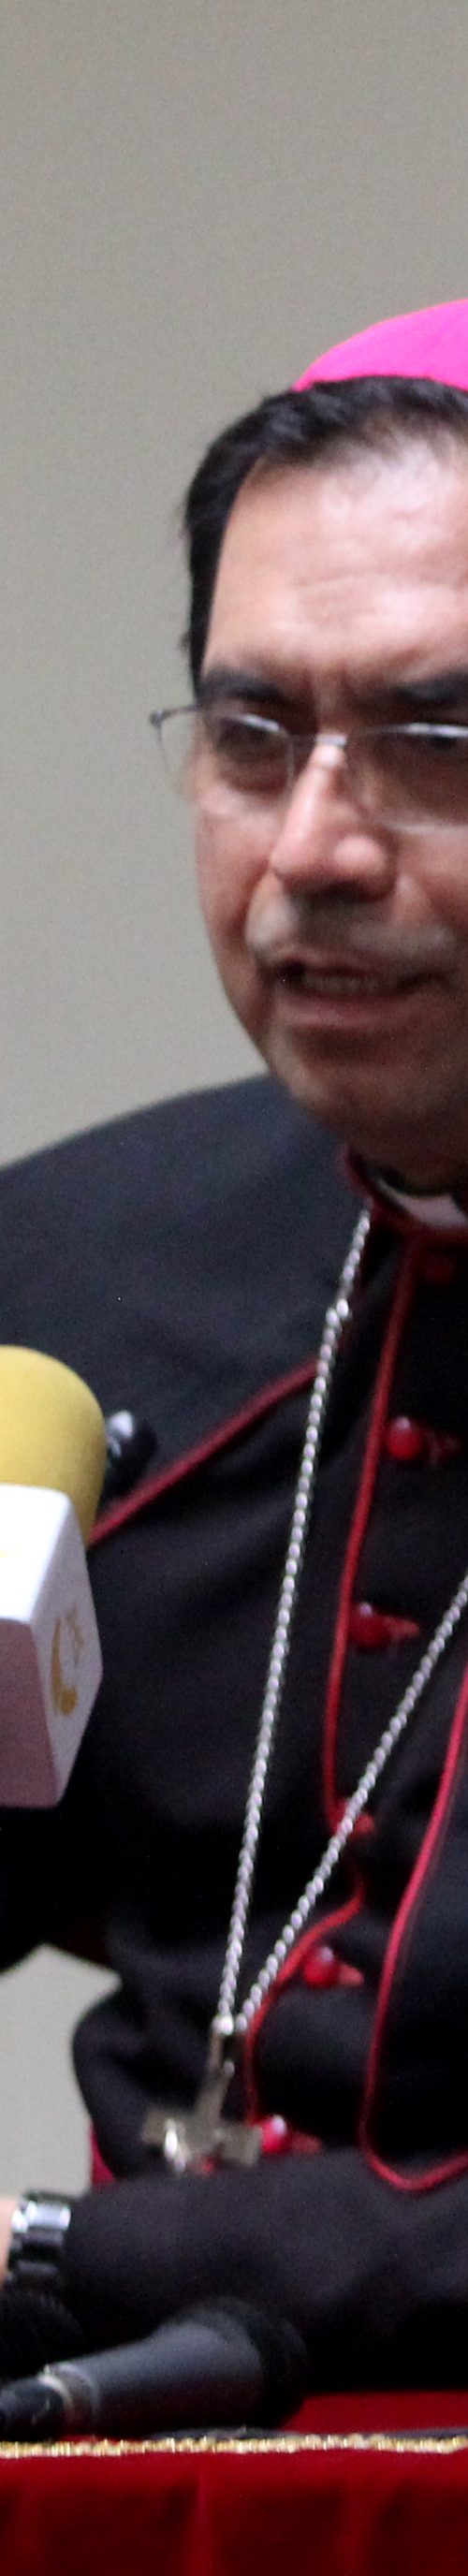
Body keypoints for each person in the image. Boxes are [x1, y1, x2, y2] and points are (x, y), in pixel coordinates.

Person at [2, 298, 468, 2396]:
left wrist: (103, 2244)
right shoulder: (67, 1277)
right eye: (253, 734)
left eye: (436, 744)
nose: (315, 848)